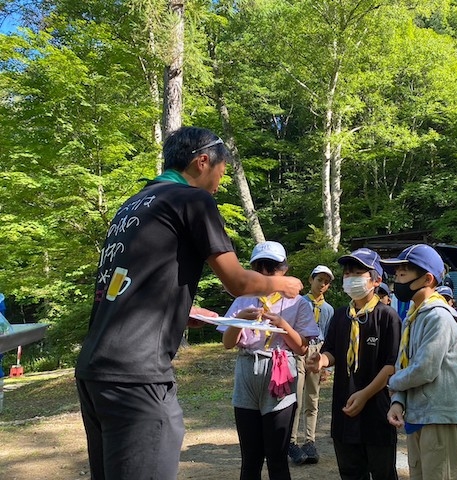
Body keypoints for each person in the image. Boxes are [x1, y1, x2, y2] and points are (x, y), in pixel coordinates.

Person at [74, 127, 304, 480]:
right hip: (137, 374)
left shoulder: (133, 205)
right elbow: (237, 282)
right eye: (220, 173)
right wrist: (281, 283)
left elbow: (125, 289)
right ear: (202, 162)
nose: (218, 184)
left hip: (94, 371)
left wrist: (182, 312)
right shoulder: (191, 200)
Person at [219, 241, 319, 480]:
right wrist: (239, 319)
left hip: (280, 371)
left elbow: (303, 348)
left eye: (272, 267)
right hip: (247, 371)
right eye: (259, 267)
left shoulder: (298, 303)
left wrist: (283, 325)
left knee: (277, 457)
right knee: (250, 458)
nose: (265, 273)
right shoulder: (244, 298)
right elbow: (227, 343)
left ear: (284, 268)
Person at [306, 248, 401, 480]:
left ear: (376, 280)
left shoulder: (388, 317)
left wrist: (365, 394)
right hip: (344, 408)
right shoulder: (341, 316)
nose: (351, 278)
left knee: (383, 473)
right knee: (350, 472)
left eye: (358, 273)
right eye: (347, 274)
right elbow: (332, 351)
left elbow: (391, 366)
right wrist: (321, 361)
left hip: (377, 410)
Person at [384, 245, 457, 480]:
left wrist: (391, 381)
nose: (397, 280)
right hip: (417, 413)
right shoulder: (414, 314)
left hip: (439, 417)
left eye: (403, 274)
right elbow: (404, 362)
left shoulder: (438, 316)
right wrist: (398, 401)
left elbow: (424, 369)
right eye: (396, 275)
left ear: (427, 278)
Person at [289, 265, 335, 466]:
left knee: (312, 398)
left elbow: (328, 336)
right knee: (296, 398)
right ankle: (291, 441)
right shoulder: (299, 303)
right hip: (300, 349)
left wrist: (326, 366)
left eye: (326, 282)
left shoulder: (328, 309)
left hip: (318, 351)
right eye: (319, 280)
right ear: (310, 280)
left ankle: (310, 440)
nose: (323, 284)